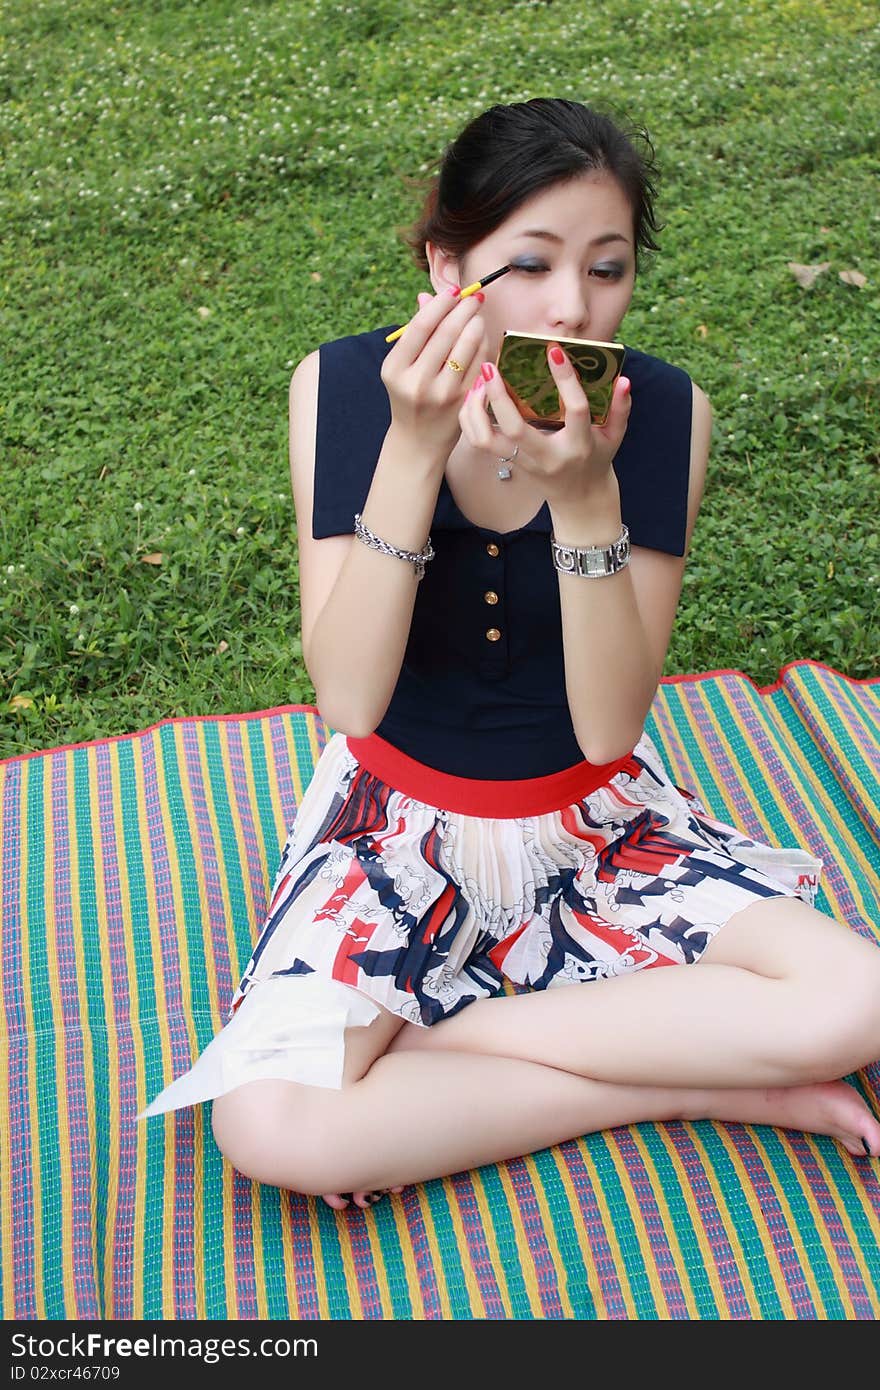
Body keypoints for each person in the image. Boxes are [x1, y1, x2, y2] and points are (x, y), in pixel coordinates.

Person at [144, 98, 880, 1211]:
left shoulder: (665, 412)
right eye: (526, 265)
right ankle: (676, 1081)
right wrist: (413, 443)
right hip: (399, 827)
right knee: (275, 1129)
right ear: (448, 265)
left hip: (591, 827)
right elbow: (348, 696)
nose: (573, 306)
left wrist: (586, 499)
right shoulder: (343, 387)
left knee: (857, 1002)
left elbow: (605, 728)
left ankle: (457, 1044)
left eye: (608, 266)